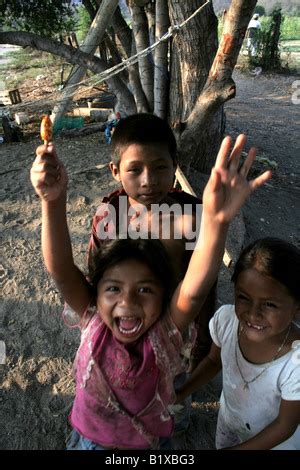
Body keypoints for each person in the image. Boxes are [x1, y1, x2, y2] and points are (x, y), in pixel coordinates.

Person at [30, 133, 271, 449]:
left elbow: (195, 289)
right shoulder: (93, 318)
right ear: (95, 292)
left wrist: (217, 222)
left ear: (164, 297)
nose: (127, 301)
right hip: (91, 440)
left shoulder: (166, 333)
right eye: (114, 288)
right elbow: (61, 269)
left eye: (144, 289)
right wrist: (51, 200)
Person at [88, 113, 215, 367]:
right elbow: (95, 278)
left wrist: (201, 344)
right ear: (115, 171)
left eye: (160, 167)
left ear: (175, 165)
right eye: (135, 170)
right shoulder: (109, 218)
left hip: (175, 331)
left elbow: (205, 288)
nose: (149, 181)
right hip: (125, 325)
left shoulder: (192, 218)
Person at [176, 237, 300, 450]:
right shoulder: (226, 321)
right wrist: (181, 393)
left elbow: (284, 426)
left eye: (269, 304)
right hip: (229, 421)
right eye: (243, 297)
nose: (253, 313)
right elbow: (213, 361)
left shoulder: (295, 363)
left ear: (296, 307)